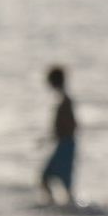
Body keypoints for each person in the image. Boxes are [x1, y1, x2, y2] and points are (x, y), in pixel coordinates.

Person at [39, 66, 77, 206]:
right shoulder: (63, 100)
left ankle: (57, 205)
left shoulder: (65, 101)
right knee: (53, 178)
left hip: (65, 144)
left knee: (48, 177)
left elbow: (72, 125)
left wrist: (60, 136)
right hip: (64, 143)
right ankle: (58, 205)